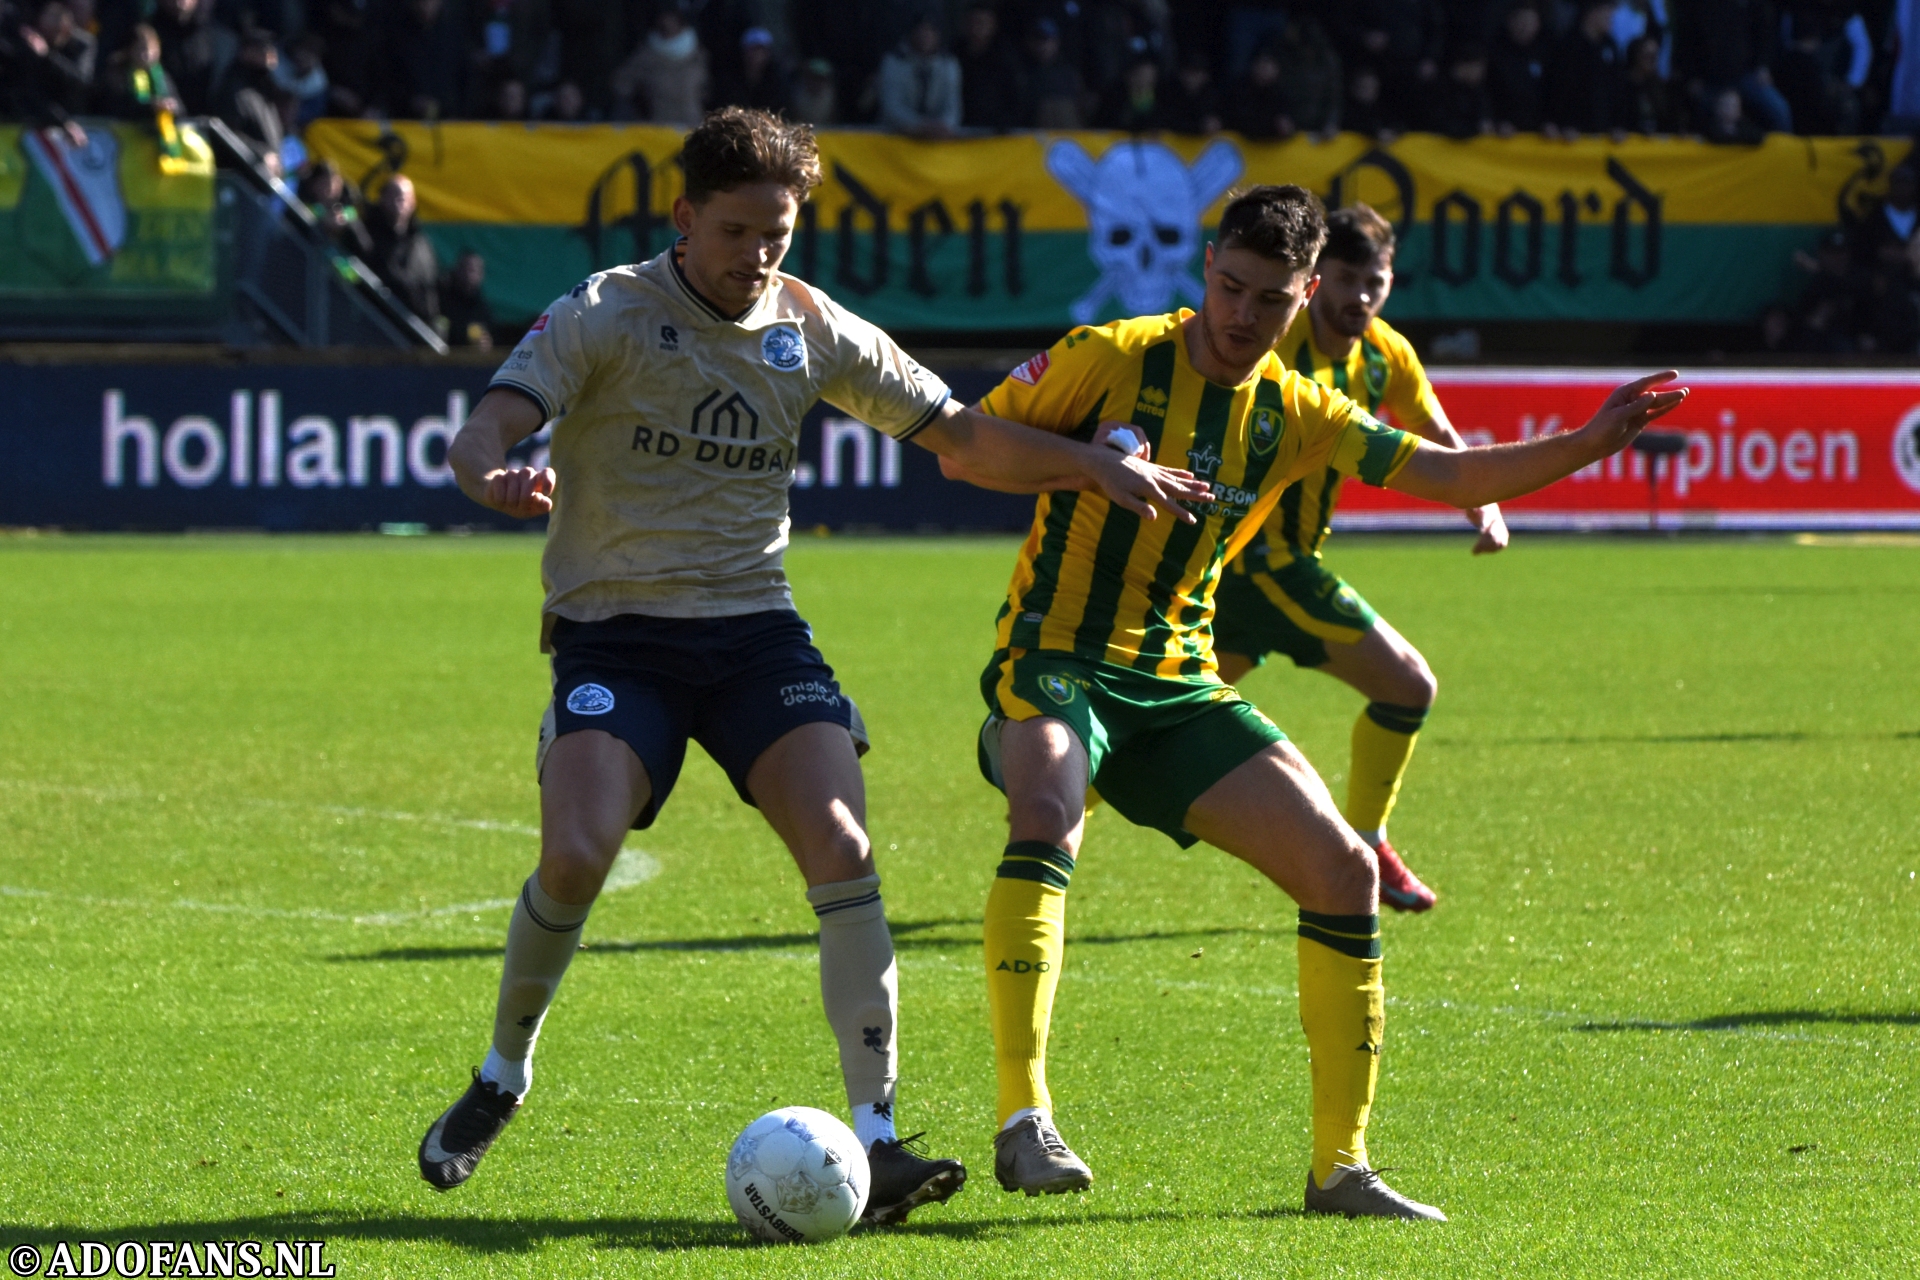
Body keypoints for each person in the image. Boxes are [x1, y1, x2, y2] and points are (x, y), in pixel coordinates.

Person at [415, 106, 1209, 1225]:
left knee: (843, 845)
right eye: (737, 230)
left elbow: (967, 441)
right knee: (578, 853)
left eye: (778, 232)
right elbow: (481, 427)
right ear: (685, 218)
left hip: (755, 633)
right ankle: (504, 1071)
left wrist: (1089, 467)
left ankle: (877, 1136)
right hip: (618, 631)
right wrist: (494, 474)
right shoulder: (607, 311)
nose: (758, 255)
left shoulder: (815, 327)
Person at [945, 184, 1684, 1218]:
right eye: (1230, 286)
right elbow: (963, 444)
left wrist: (1590, 442)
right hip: (1056, 651)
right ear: (1206, 265)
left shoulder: (1299, 409)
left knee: (1343, 871)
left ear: (1305, 300)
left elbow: (1445, 469)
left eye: (1268, 299)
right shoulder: (1112, 355)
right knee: (1047, 808)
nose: (1242, 315)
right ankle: (1025, 1118)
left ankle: (1342, 1168)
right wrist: (1088, 469)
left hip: (1178, 677)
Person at [1211, 202, 1505, 917]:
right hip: (1262, 563)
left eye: (1375, 282)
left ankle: (1046, 816)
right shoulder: (1272, 348)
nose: (1361, 298)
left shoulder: (1385, 352)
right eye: (1345, 279)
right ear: (1314, 281)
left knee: (1145, 721)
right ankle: (1367, 839)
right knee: (1409, 686)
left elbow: (1431, 426)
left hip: (1255, 573)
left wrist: (1482, 500)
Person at [366, 174, 442, 329]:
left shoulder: (421, 243)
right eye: (394, 194)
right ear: (382, 198)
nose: (400, 201)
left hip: (420, 330)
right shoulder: (368, 236)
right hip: (382, 326)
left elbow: (431, 284)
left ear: (413, 202)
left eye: (405, 196)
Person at [878, 14, 961, 137]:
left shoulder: (949, 64)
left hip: (939, 137)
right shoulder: (893, 62)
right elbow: (892, 106)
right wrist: (920, 126)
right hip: (897, 136)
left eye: (930, 31)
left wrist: (944, 125)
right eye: (920, 30)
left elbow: (952, 105)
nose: (925, 36)